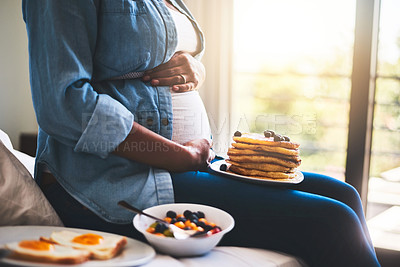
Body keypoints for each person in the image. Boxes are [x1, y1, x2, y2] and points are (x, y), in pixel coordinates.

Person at [22, 0, 380, 266]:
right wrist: (180, 155)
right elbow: (63, 102)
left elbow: (156, 51)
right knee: (333, 222)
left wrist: (194, 67)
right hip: (120, 179)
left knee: (345, 194)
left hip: (188, 163)